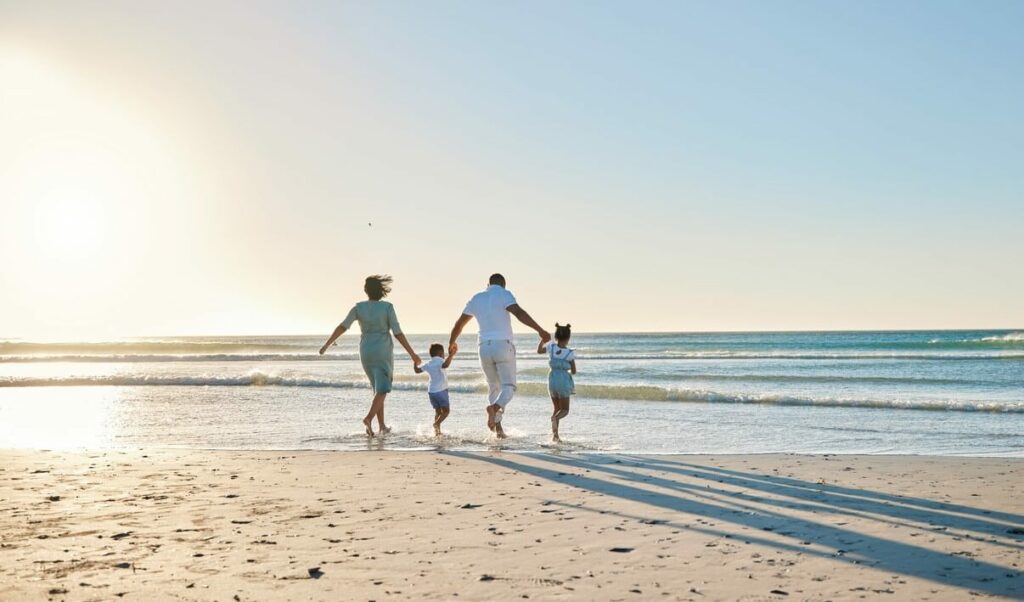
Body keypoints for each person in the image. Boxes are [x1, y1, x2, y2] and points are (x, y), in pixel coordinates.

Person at [448, 273, 550, 438]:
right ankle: (494, 410)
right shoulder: (504, 294)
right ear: (503, 284)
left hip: (483, 348)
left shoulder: (476, 298)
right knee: (509, 387)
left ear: (487, 284)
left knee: (493, 387)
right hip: (502, 345)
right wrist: (540, 330)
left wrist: (452, 342)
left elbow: (459, 324)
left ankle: (498, 430)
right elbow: (519, 313)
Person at [319, 275, 420, 437]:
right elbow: (397, 333)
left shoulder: (358, 308)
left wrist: (327, 344)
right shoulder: (387, 308)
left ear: (366, 291)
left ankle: (382, 426)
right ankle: (368, 418)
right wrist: (413, 354)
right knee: (383, 388)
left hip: (365, 351)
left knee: (377, 389)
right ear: (381, 291)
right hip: (382, 351)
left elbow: (343, 326)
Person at [538, 323, 576, 442]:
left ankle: (555, 436)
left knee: (556, 408)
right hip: (563, 381)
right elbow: (574, 371)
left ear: (556, 336)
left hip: (552, 379)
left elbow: (539, 351)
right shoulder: (570, 353)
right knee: (564, 410)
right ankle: (555, 420)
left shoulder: (551, 347)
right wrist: (566, 367)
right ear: (568, 338)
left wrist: (542, 340)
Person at [414, 343, 455, 436]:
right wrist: (451, 355)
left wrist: (415, 363)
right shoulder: (440, 360)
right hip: (441, 390)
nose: (444, 355)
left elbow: (417, 371)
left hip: (431, 391)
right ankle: (437, 424)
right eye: (443, 353)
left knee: (438, 411)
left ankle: (437, 431)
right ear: (440, 353)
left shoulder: (428, 363)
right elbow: (446, 365)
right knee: (446, 411)